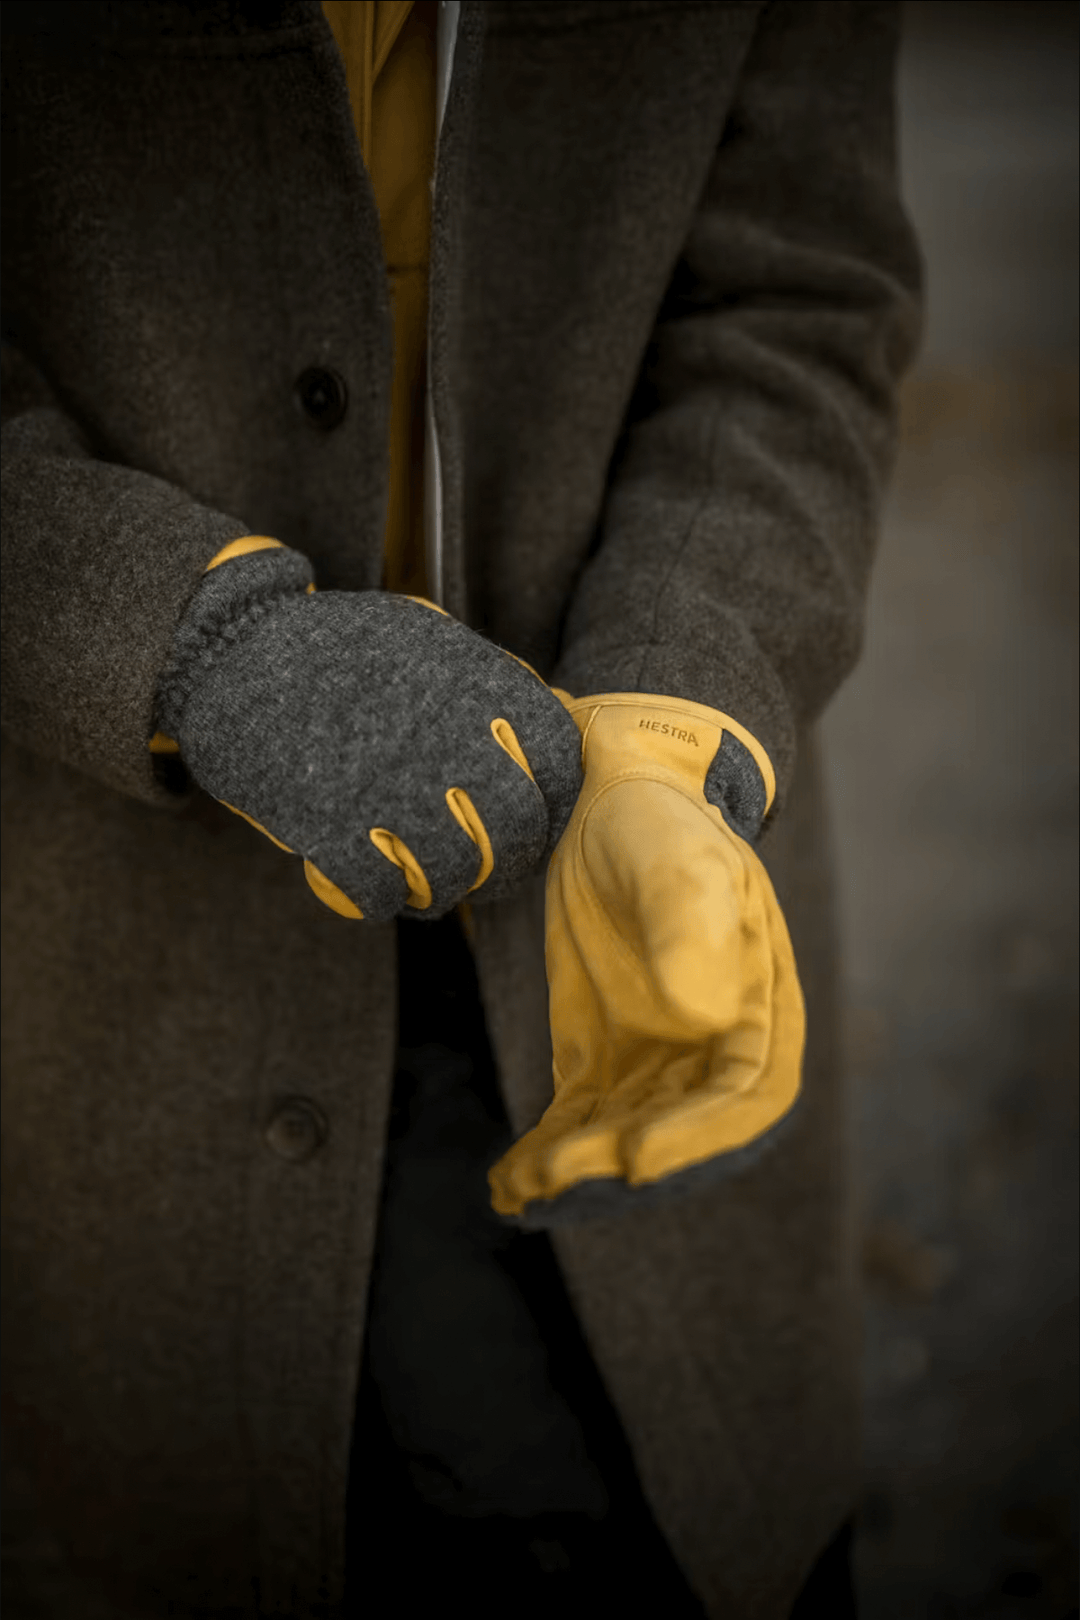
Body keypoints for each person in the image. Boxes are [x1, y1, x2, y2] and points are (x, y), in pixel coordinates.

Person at [0, 2, 923, 1616]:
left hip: (622, 930)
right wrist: (190, 642)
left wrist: (662, 737)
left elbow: (793, 305)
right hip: (99, 978)